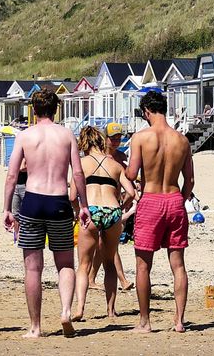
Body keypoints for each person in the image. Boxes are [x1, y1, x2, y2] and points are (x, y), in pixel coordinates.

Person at [2, 89, 91, 339]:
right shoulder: (66, 135)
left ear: (33, 109)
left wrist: (7, 208)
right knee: (65, 264)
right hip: (59, 202)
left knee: (32, 269)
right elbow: (77, 174)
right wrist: (83, 205)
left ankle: (36, 327)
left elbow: (11, 175)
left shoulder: (25, 135)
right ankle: (65, 311)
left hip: (32, 202)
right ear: (56, 109)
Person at [125, 90, 195, 334]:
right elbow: (191, 180)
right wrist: (180, 199)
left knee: (143, 265)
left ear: (146, 111)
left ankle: (145, 322)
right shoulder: (181, 139)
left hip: (152, 199)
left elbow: (132, 174)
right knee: (178, 265)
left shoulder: (141, 137)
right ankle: (179, 320)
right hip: (175, 199)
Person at [73, 126, 136, 321]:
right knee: (109, 263)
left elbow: (71, 196)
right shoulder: (116, 165)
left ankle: (80, 309)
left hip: (91, 211)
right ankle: (111, 310)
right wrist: (120, 206)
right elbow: (132, 194)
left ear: (84, 143)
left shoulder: (81, 164)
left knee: (83, 265)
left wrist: (78, 211)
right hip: (113, 212)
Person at [88, 122, 134, 293]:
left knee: (104, 245)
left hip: (115, 205)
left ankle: (91, 278)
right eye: (112, 138)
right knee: (107, 245)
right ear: (105, 138)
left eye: (118, 138)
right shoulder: (98, 157)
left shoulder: (122, 158)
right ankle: (122, 279)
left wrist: (125, 203)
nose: (115, 141)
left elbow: (130, 179)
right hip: (99, 204)